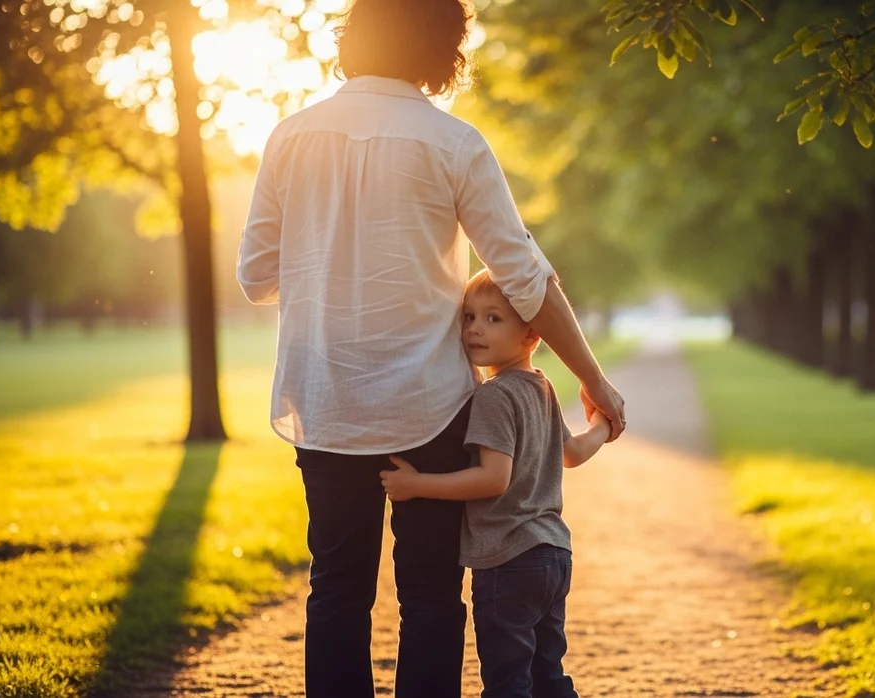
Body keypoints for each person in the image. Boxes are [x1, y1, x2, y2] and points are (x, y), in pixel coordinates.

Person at [235, 0, 625, 695]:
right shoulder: (454, 143)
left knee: (336, 593)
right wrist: (593, 379)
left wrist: (328, 259)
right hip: (430, 409)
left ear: (352, 36)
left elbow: (256, 278)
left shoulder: (290, 138)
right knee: (431, 598)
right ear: (446, 49)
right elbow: (524, 277)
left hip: (326, 403)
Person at [381, 269, 607, 697]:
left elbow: (492, 479)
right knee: (548, 676)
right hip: (553, 556)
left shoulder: (493, 395)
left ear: (530, 336)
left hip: (508, 561)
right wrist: (603, 426)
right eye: (468, 317)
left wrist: (416, 484)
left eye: (493, 319)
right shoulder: (541, 387)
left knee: (507, 683)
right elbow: (573, 452)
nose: (475, 329)